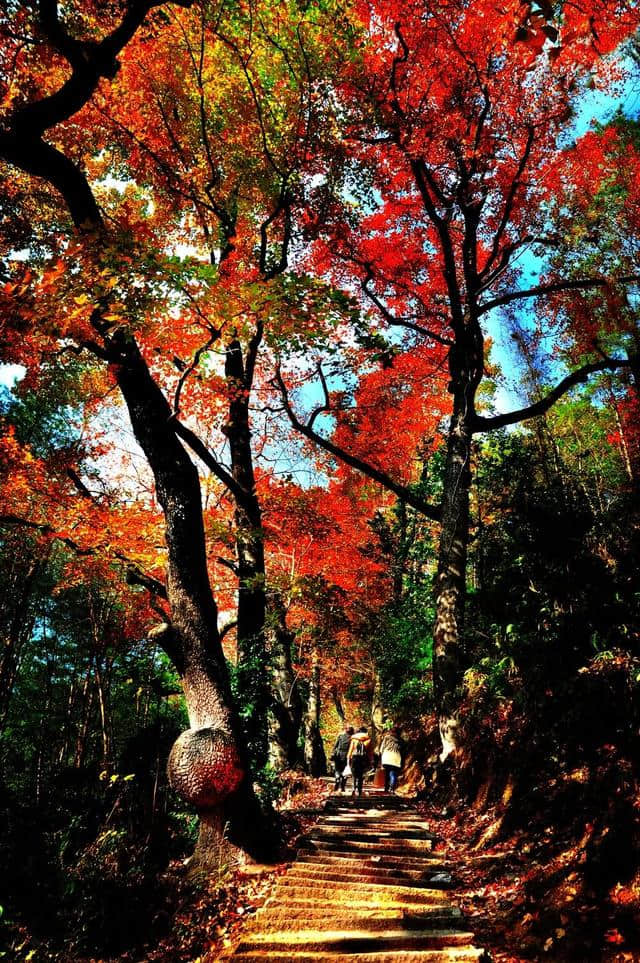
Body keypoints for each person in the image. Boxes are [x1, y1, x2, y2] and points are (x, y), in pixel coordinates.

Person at [347, 725, 371, 797]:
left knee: (354, 774)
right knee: (360, 775)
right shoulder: (368, 740)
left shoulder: (354, 739)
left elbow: (350, 751)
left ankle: (354, 789)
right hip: (363, 758)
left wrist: (348, 759)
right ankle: (359, 790)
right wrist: (371, 760)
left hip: (354, 758)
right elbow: (370, 752)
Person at [379, 724, 403, 793]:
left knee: (387, 774)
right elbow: (403, 751)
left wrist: (380, 759)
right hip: (396, 758)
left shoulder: (387, 738)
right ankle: (391, 788)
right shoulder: (401, 740)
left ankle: (386, 788)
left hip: (386, 757)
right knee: (393, 774)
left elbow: (381, 749)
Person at [330, 725, 354, 791]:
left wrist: (333, 753)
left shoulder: (340, 736)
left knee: (337, 769)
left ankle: (337, 780)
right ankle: (342, 787)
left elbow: (335, 746)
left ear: (345, 730)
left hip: (338, 755)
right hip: (347, 756)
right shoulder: (352, 738)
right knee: (345, 771)